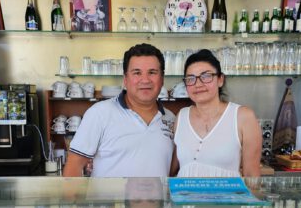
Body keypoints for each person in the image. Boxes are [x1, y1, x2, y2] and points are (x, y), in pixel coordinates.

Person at [63, 43, 175, 177]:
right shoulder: (100, 113)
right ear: (125, 79)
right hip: (108, 199)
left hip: (159, 198)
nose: (145, 80)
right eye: (137, 73)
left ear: (162, 79)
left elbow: (171, 170)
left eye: (152, 72)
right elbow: (74, 165)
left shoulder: (171, 119)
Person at [170, 49, 262, 177]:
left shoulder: (243, 116)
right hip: (183, 197)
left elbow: (252, 175)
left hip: (227, 197)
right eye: (190, 79)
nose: (198, 84)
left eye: (206, 76)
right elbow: (173, 168)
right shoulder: (182, 116)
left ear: (220, 80)